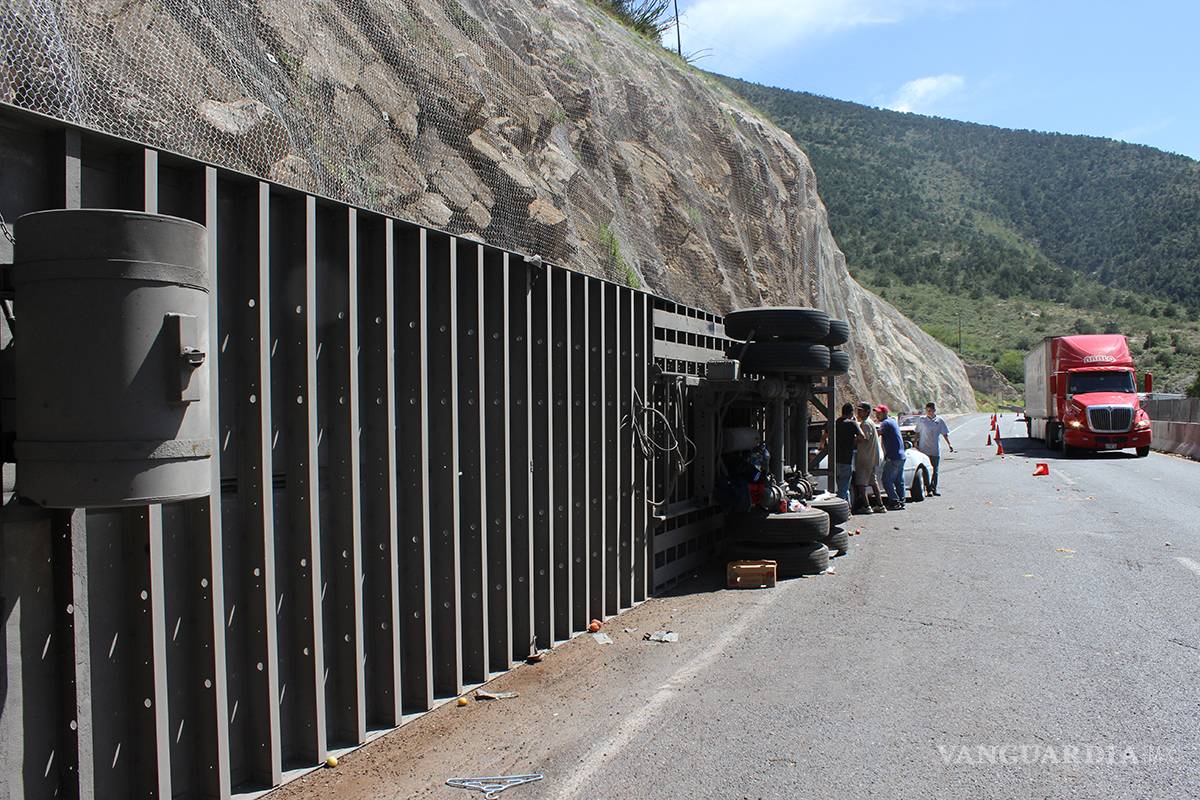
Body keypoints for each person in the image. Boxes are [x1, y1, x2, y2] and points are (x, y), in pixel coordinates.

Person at [913, 402, 954, 496]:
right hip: (924, 449)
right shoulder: (922, 420)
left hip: (935, 449)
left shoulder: (939, 421)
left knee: (935, 470)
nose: (929, 412)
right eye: (927, 410)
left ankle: (934, 488)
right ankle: (928, 489)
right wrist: (915, 443)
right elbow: (917, 432)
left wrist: (949, 444)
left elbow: (944, 433)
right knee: (926, 470)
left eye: (931, 410)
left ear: (934, 410)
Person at [826, 402, 862, 503]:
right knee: (844, 487)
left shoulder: (835, 422)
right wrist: (853, 439)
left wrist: (823, 445)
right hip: (846, 460)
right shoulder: (851, 423)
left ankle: (847, 509)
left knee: (843, 486)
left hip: (834, 460)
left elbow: (825, 435)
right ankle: (840, 506)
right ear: (851, 413)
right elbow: (862, 437)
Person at [852, 402, 885, 513]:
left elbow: (863, 438)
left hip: (865, 458)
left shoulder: (865, 424)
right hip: (871, 457)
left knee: (861, 483)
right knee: (873, 482)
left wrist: (853, 439)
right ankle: (880, 505)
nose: (858, 412)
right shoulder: (870, 422)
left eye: (861, 410)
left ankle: (866, 506)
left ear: (867, 412)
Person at [877, 404, 906, 510]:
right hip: (901, 456)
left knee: (886, 480)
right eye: (876, 413)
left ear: (885, 413)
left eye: (879, 413)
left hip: (893, 457)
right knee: (898, 481)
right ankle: (901, 501)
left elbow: (877, 433)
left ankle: (894, 501)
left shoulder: (886, 423)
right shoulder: (892, 421)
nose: (877, 415)